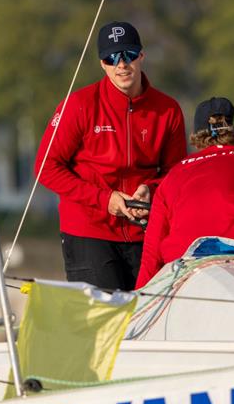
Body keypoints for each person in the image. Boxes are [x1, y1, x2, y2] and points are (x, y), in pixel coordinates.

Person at [35, 21, 187, 291]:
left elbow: (175, 174)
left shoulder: (168, 109)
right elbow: (46, 168)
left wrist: (150, 190)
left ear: (141, 56)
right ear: (102, 64)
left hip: (145, 232)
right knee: (104, 315)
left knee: (149, 314)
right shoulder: (79, 105)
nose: (122, 64)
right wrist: (104, 200)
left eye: (129, 55)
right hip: (88, 231)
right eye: (112, 58)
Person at [135, 97, 234, 288]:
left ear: (196, 134)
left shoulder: (174, 174)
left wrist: (139, 296)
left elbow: (151, 255)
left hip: (185, 269)